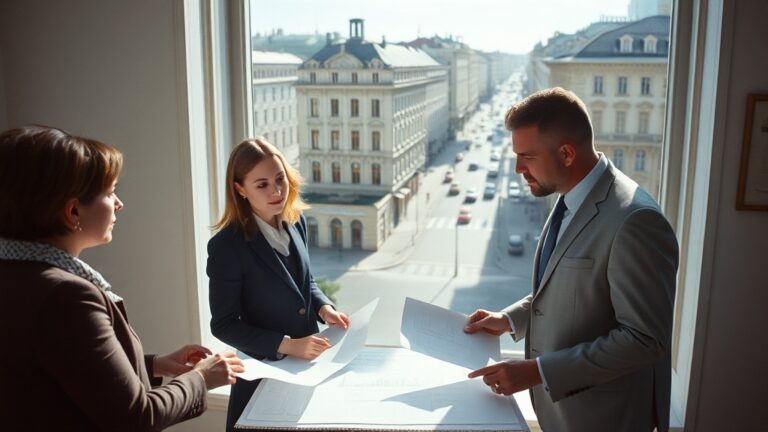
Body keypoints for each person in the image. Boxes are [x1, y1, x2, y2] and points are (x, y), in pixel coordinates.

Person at [0, 125, 244, 431]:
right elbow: (137, 417)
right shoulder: (67, 297)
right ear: (73, 212)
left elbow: (53, 372)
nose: (119, 203)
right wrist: (201, 378)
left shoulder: (16, 277)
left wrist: (154, 365)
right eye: (110, 192)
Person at [464, 88, 679, 432]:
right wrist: (509, 319)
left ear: (566, 153)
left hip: (604, 419)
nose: (518, 168)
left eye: (527, 157)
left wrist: (538, 371)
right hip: (566, 415)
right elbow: (567, 287)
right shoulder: (569, 195)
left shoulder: (636, 221)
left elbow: (644, 339)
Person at [207, 137, 350, 431]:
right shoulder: (226, 246)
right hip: (262, 377)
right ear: (240, 189)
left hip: (307, 369)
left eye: (280, 178)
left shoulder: (296, 221)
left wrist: (324, 308)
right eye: (262, 185)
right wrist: (288, 345)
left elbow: (305, 282)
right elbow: (223, 324)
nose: (276, 191)